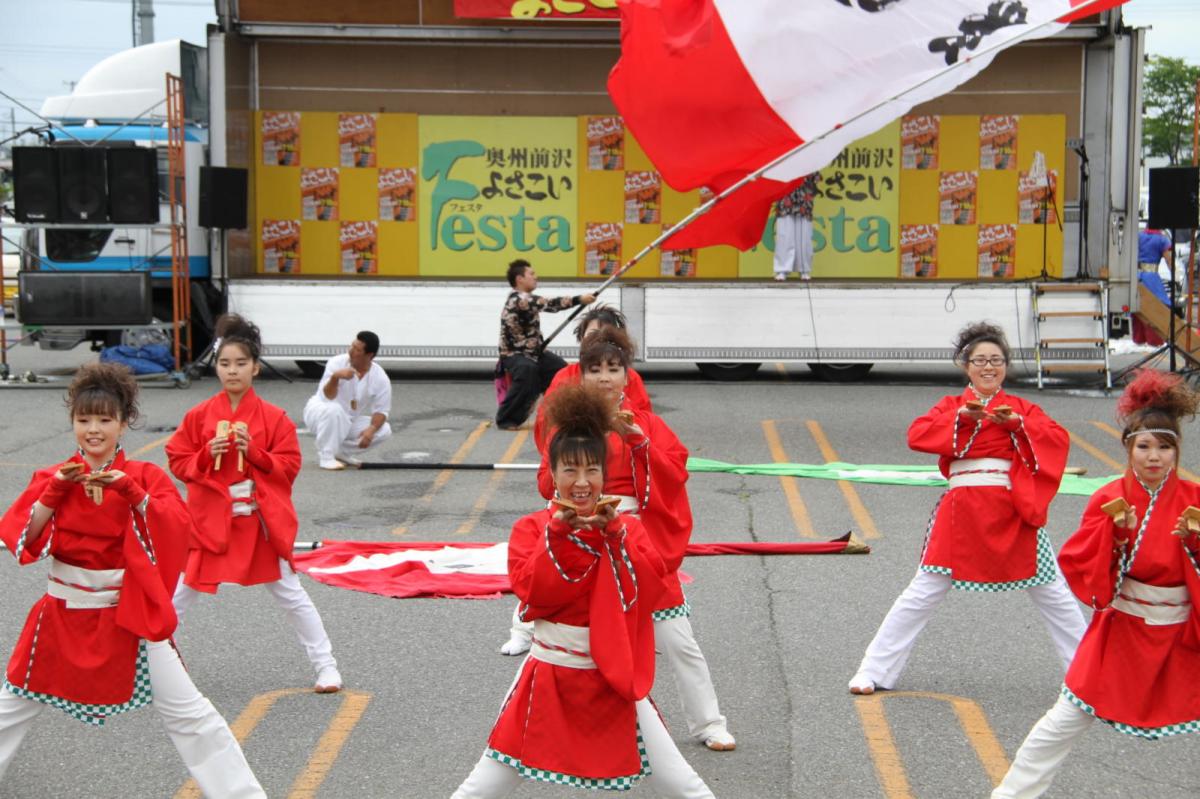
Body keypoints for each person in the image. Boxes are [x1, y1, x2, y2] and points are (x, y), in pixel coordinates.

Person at [0, 363, 264, 797]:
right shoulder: (53, 478)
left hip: (129, 616)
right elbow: (22, 539)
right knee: (11, 707)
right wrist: (53, 494)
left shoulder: (146, 477)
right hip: (61, 615)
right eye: (84, 420)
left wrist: (134, 494)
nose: (94, 430)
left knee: (189, 713)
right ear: (72, 423)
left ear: (124, 424)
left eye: (105, 419)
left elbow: (178, 532)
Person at [452, 384, 713, 798]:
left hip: (612, 678)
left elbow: (651, 591)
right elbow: (535, 593)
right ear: (551, 473)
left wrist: (613, 535)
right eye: (569, 470)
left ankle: (711, 722)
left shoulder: (627, 528)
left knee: (683, 785)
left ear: (604, 474)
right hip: (549, 677)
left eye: (592, 470)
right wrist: (559, 531)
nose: (581, 482)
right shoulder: (532, 529)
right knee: (483, 786)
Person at [517, 328, 736, 752]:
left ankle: (709, 722)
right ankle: (536, 727)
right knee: (562, 645)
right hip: (583, 540)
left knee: (677, 636)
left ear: (626, 377)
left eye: (613, 369)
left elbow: (676, 472)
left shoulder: (647, 423)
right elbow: (547, 485)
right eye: (594, 369)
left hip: (636, 540)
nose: (604, 377)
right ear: (580, 377)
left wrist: (639, 442)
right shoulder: (567, 428)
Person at [991, 370, 1200, 799]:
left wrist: (1194, 543)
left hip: (1184, 633)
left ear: (1177, 451)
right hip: (1121, 630)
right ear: (1128, 449)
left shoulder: (1195, 500)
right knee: (1063, 720)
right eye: (1144, 446)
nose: (1154, 457)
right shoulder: (1107, 498)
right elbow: (1081, 565)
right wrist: (1116, 536)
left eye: (1164, 447)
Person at [848, 322, 1086, 695]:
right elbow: (917, 434)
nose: (988, 367)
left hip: (1013, 510)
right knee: (922, 591)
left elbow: (1056, 438)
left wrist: (1019, 425)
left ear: (1006, 365)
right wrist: (962, 419)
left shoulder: (1023, 408)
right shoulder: (952, 407)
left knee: (1054, 594)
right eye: (980, 360)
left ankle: (1090, 676)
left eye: (996, 360)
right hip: (962, 512)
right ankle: (874, 669)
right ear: (965, 365)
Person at [168, 315, 342, 693]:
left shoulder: (273, 417)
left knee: (291, 594)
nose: (233, 371)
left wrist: (257, 454)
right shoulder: (198, 416)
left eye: (241, 363)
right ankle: (155, 666)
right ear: (216, 367)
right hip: (213, 523)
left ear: (256, 368)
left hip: (258, 522)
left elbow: (290, 466)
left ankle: (325, 665)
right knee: (180, 596)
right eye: (225, 364)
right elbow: (177, 460)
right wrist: (202, 455)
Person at [532, 304, 652, 452]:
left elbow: (645, 419)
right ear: (581, 339)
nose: (604, 378)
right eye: (592, 335)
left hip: (622, 454)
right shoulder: (565, 376)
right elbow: (546, 421)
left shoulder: (630, 377)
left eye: (606, 335)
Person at [496, 258, 595, 430]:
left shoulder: (525, 300)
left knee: (562, 371)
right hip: (514, 355)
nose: (536, 277)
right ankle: (506, 419)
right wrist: (580, 299)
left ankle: (563, 412)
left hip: (534, 353)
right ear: (520, 279)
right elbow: (551, 304)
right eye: (531, 274)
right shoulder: (519, 299)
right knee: (528, 372)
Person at [302, 331, 392, 470]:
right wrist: (335, 378)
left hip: (347, 420)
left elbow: (381, 410)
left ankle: (340, 451)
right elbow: (327, 397)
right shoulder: (337, 362)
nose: (351, 351)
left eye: (357, 349)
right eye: (352, 346)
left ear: (369, 355)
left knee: (384, 429)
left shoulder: (380, 377)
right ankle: (326, 457)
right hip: (320, 413)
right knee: (334, 409)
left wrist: (371, 429)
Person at [773, 173, 819, 281]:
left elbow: (816, 178)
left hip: (804, 199)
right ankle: (782, 269)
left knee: (804, 237)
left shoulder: (810, 158)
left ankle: (804, 269)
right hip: (785, 196)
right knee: (785, 236)